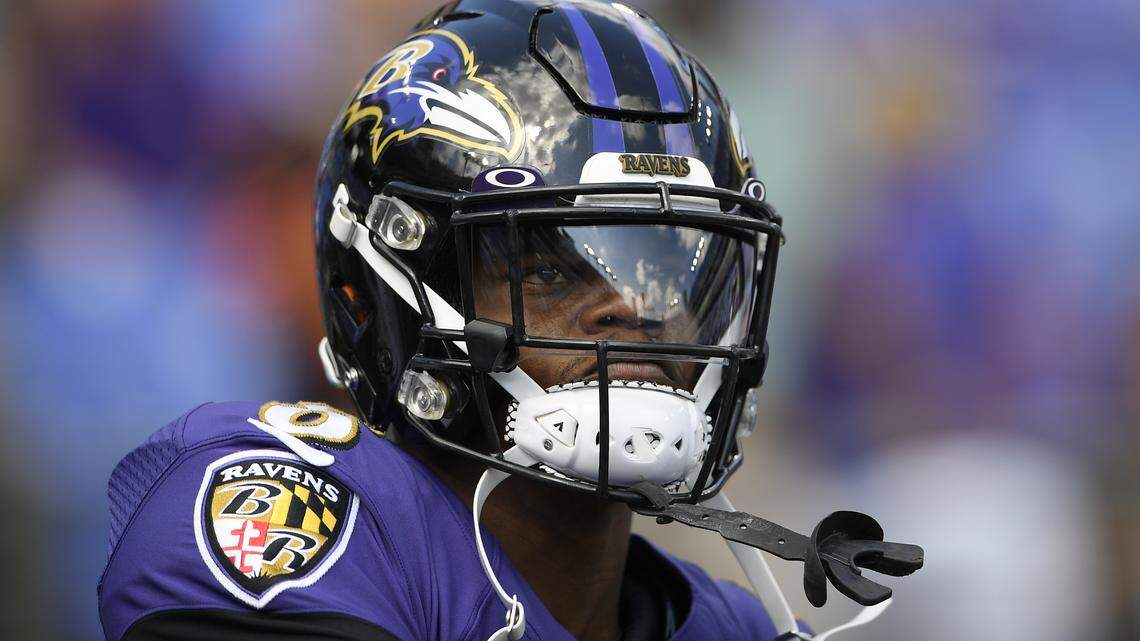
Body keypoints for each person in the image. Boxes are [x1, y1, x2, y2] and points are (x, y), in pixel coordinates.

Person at [98, 2, 921, 640]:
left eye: (676, 264)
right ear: (389, 293)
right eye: (548, 264)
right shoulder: (289, 501)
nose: (636, 303)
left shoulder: (733, 621)